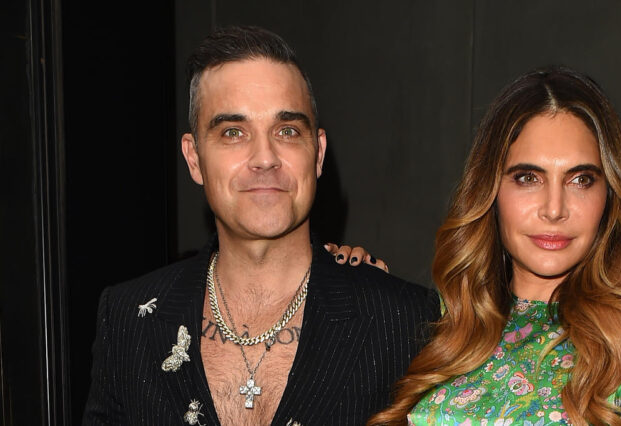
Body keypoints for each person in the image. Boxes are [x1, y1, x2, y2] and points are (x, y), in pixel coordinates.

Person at [82, 26, 438, 425]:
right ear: (194, 158)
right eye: (233, 133)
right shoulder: (127, 320)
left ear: (318, 154)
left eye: (287, 131)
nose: (265, 158)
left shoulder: (408, 321)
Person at [349, 67, 621, 425]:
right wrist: (338, 276)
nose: (554, 209)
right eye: (528, 177)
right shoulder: (438, 326)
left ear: (610, 194)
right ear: (490, 190)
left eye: (581, 179)